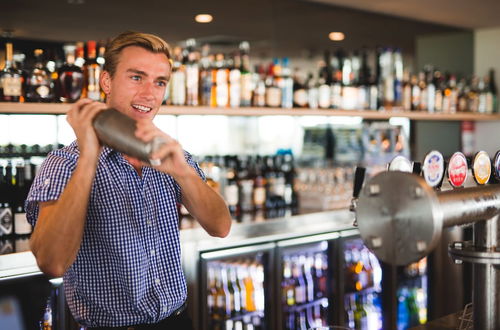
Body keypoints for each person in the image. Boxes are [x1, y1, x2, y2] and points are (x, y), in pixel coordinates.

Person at [25, 31, 232, 329]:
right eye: (137, 77)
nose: (149, 94)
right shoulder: (65, 164)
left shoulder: (171, 155)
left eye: (159, 82)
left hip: (177, 321)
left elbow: (221, 226)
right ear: (106, 81)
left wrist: (183, 172)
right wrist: (89, 157)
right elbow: (51, 262)